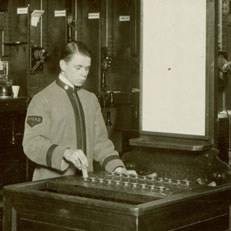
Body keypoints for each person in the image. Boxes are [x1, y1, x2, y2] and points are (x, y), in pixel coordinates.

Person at [23, 41, 128, 181]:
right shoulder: (42, 99)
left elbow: (100, 142)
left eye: (87, 68)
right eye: (78, 68)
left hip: (85, 183)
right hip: (50, 186)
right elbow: (32, 144)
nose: (84, 73)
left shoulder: (90, 99)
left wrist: (117, 168)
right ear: (63, 65)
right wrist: (65, 153)